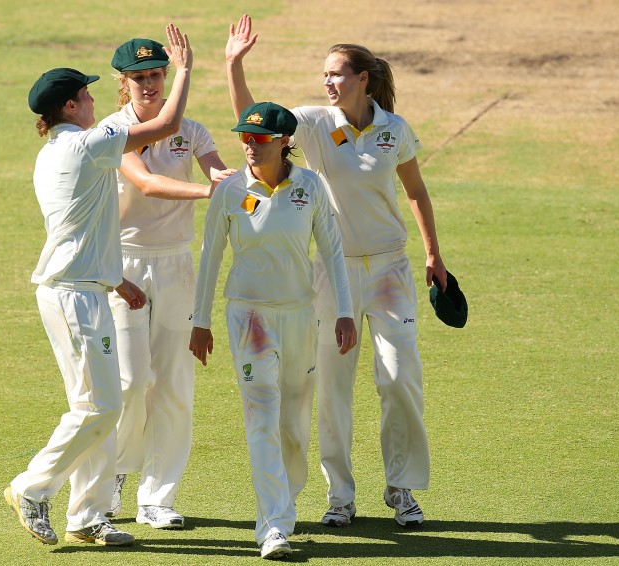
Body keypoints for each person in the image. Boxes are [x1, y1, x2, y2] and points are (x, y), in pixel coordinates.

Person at [225, 15, 448, 528]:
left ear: (362, 78)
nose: (328, 82)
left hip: (390, 268)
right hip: (332, 273)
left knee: (400, 377)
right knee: (333, 385)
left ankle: (401, 488)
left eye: (336, 74)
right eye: (324, 74)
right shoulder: (313, 122)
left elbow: (416, 191)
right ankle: (340, 496)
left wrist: (433, 254)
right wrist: (234, 65)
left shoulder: (395, 130)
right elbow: (255, 122)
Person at [3, 24, 194, 547]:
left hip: (87, 287)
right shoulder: (86, 145)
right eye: (86, 95)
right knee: (101, 406)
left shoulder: (62, 149)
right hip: (73, 295)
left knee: (97, 407)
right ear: (69, 107)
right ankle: (31, 488)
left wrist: (117, 279)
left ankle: (87, 516)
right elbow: (168, 123)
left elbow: (85, 228)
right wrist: (182, 70)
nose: (94, 101)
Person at [189, 101, 357, 559]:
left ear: (285, 142)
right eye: (245, 137)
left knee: (294, 424)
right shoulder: (230, 191)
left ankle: (285, 499)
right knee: (262, 416)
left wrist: (344, 311)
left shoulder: (310, 186)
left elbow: (332, 251)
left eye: (260, 138)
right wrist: (200, 321)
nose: (250, 145)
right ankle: (274, 525)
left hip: (300, 315)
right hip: (250, 318)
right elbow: (210, 255)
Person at [97, 37, 235, 530]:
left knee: (174, 384)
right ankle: (114, 473)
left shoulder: (191, 131)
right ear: (123, 82)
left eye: (157, 74)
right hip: (125, 266)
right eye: (139, 78)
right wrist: (210, 191)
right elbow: (147, 183)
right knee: (132, 382)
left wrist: (242, 183)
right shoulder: (112, 130)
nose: (149, 84)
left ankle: (157, 498)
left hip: (176, 264)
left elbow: (220, 172)